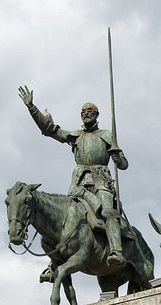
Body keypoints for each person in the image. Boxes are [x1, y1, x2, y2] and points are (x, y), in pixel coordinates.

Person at [18, 85, 129, 273]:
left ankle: (116, 252)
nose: (86, 115)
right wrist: (32, 108)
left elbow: (124, 164)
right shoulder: (76, 136)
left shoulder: (105, 135)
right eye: (83, 112)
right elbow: (50, 130)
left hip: (101, 183)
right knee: (62, 218)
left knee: (108, 212)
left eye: (90, 112)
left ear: (96, 115)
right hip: (78, 186)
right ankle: (54, 264)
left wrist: (119, 159)